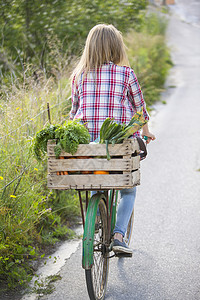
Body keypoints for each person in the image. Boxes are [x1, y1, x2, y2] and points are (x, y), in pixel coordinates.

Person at [70, 24, 155, 255]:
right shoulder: (126, 73)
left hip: (86, 148)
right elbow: (140, 110)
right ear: (116, 47)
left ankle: (97, 215)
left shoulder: (78, 75)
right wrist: (146, 131)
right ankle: (119, 235)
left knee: (96, 178)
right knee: (128, 190)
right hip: (118, 145)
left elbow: (73, 113)